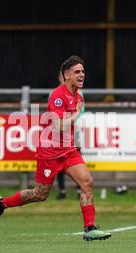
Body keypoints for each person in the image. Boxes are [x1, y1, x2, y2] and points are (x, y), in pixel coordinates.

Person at [0, 55, 111, 241]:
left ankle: (89, 229)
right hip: (50, 152)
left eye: (83, 71)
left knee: (87, 183)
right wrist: (77, 113)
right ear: (67, 75)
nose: (82, 75)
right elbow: (59, 126)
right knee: (40, 194)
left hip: (68, 150)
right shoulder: (57, 95)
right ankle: (2, 204)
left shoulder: (78, 96)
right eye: (77, 72)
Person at [54, 70, 82, 200]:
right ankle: (62, 190)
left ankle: (79, 190)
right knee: (58, 164)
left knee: (77, 163)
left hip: (73, 133)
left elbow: (79, 113)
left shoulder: (78, 93)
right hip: (59, 136)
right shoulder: (55, 94)